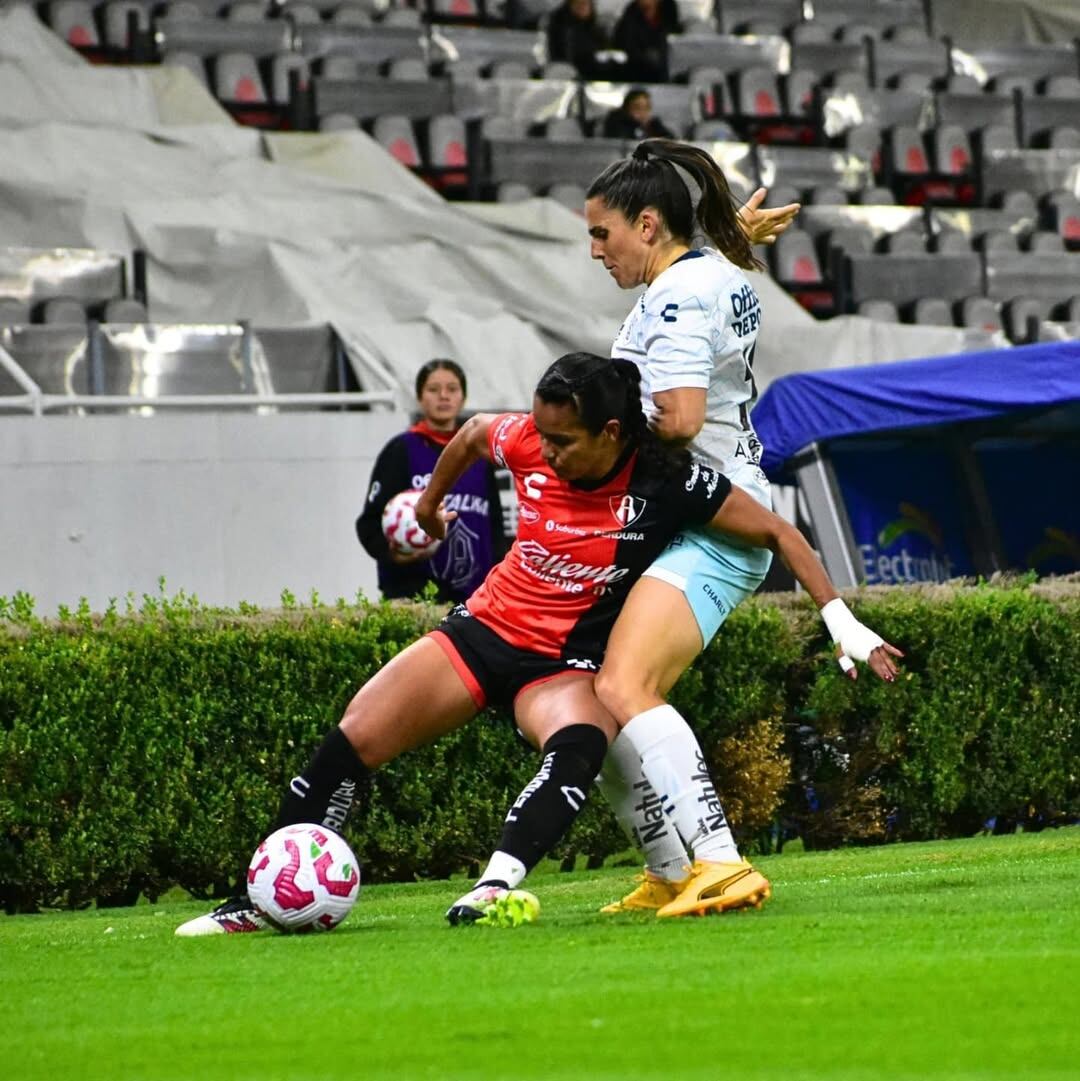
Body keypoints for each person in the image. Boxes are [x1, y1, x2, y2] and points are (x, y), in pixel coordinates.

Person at [175, 353, 900, 935]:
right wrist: (428, 508)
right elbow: (468, 436)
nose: (542, 450)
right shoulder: (525, 436)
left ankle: (496, 885)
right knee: (355, 733)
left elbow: (777, 530)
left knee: (583, 740)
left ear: (611, 434)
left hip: (560, 665)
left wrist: (840, 618)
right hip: (481, 633)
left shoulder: (667, 482)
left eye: (563, 440)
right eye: (541, 434)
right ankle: (256, 901)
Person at [580, 137, 807, 917]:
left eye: (602, 233)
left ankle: (723, 862)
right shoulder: (710, 270)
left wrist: (593, 428)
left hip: (714, 521)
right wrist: (739, 232)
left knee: (622, 684)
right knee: (594, 690)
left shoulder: (675, 297)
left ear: (648, 225)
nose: (595, 250)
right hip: (701, 514)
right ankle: (671, 867)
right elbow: (712, 273)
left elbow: (677, 418)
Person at [355, 359, 507, 604]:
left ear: (463, 399)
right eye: (433, 389)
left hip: (474, 601)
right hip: (412, 597)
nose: (443, 396)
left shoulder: (479, 454)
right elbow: (369, 523)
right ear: (419, 398)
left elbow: (496, 527)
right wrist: (392, 553)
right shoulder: (401, 450)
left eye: (452, 389)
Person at [612, 0, 681, 83]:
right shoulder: (630, 17)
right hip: (636, 76)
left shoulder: (669, 16)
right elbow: (626, 49)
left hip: (667, 76)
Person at [545, 0, 611, 80]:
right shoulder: (562, 27)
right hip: (568, 74)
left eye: (586, 4)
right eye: (579, 4)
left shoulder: (595, 27)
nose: (583, 7)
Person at [602, 87, 676, 140]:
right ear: (627, 108)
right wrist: (635, 123)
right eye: (637, 108)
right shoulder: (616, 123)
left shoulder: (653, 125)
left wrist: (655, 126)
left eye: (646, 108)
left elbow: (672, 140)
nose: (642, 112)